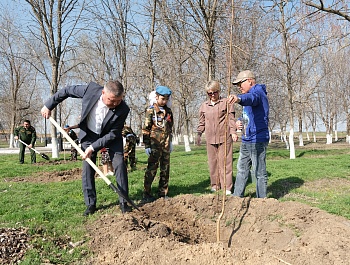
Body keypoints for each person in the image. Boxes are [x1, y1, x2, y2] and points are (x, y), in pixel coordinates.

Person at [41, 80, 132, 215]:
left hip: (111, 138)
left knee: (119, 165)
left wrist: (93, 148)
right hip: (89, 135)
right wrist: (49, 105)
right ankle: (91, 204)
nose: (115, 104)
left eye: (118, 101)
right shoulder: (90, 90)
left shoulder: (123, 109)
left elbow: (113, 134)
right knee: (88, 168)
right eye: (112, 100)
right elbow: (66, 91)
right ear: (103, 93)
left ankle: (124, 202)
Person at [229, 70, 269, 198]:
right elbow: (247, 115)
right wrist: (239, 122)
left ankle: (261, 201)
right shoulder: (247, 96)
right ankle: (236, 198)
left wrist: (239, 98)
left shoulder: (258, 92)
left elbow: (252, 99)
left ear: (250, 81)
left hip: (257, 139)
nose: (239, 87)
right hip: (246, 139)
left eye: (240, 83)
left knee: (259, 172)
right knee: (241, 170)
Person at [197, 80, 238, 195]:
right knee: (213, 163)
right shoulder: (204, 106)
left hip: (224, 137)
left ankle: (227, 187)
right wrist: (199, 134)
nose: (212, 95)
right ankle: (215, 185)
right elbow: (201, 122)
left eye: (214, 92)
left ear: (219, 91)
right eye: (209, 93)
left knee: (225, 162)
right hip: (210, 139)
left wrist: (233, 132)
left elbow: (231, 119)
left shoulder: (226, 102)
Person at [142, 86, 174, 202]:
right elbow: (146, 129)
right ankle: (146, 193)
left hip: (165, 145)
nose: (164, 101)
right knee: (152, 169)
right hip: (154, 145)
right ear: (156, 97)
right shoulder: (151, 111)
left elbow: (170, 127)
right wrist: (147, 145)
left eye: (166, 99)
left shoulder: (168, 111)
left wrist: (170, 142)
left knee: (165, 169)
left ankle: (163, 193)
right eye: (162, 98)